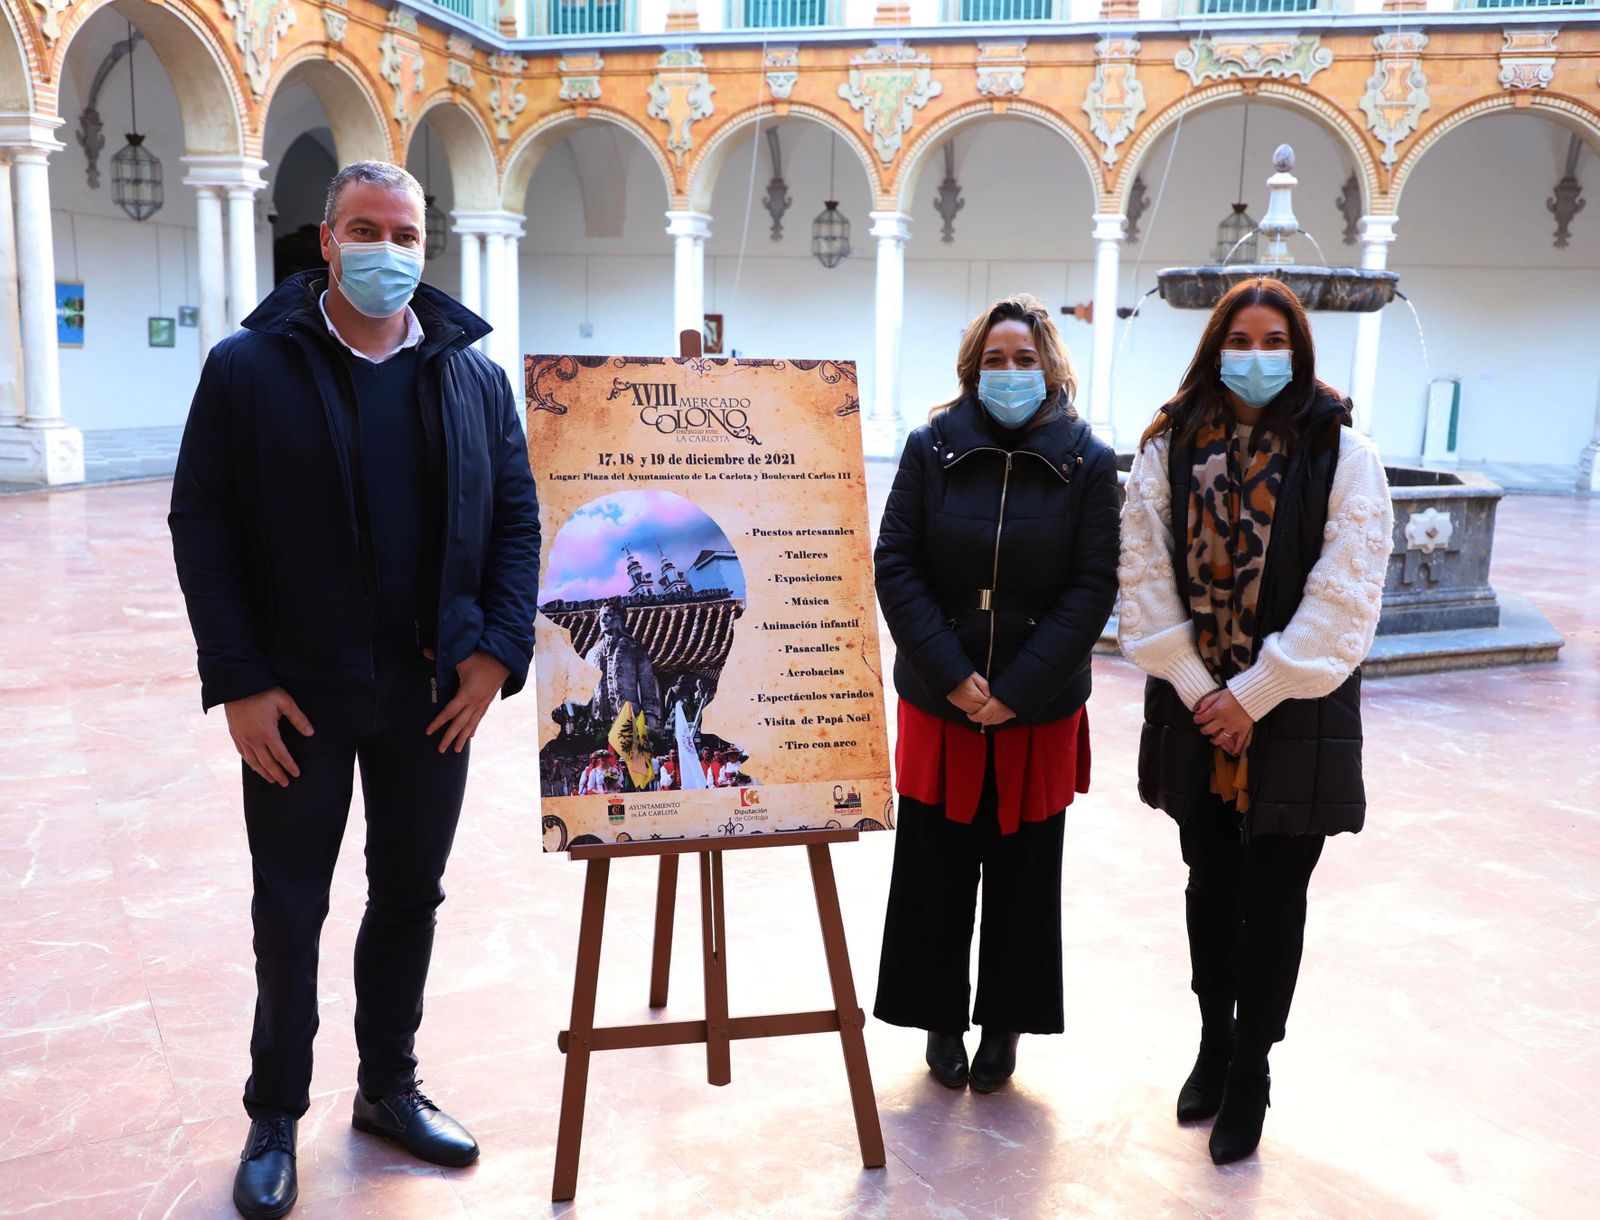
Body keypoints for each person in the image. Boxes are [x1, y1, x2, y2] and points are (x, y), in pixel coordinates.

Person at [168, 161, 540, 1219]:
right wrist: (239, 679)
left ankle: (387, 1084)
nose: (391, 252)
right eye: (367, 230)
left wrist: (495, 653)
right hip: (300, 697)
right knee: (290, 910)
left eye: (408, 233)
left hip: (433, 695)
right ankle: (275, 1109)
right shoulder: (248, 369)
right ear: (326, 240)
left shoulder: (473, 375)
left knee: (410, 895)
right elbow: (204, 523)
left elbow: (515, 518)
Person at [1118, 277, 1393, 1164]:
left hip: (1294, 716)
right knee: (1208, 885)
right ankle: (1213, 1037)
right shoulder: (1166, 449)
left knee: (1275, 898)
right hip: (1198, 711)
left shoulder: (1345, 455)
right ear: (1216, 345)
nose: (1259, 354)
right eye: (1243, 336)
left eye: (1277, 339)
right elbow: (1144, 578)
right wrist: (1206, 693)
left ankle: (1254, 1070)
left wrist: (1255, 695)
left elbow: (1346, 597)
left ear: (1300, 353)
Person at [873, 294, 1119, 1092]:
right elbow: (897, 564)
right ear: (972, 369)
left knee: (1024, 868)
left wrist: (1016, 688)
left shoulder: (1087, 460)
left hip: (1037, 710)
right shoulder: (930, 448)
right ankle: (938, 1018)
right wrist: (953, 674)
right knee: (933, 864)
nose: (1010, 373)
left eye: (1023, 359)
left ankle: (1005, 1022)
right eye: (994, 360)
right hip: (942, 701)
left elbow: (1093, 586)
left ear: (1049, 365)